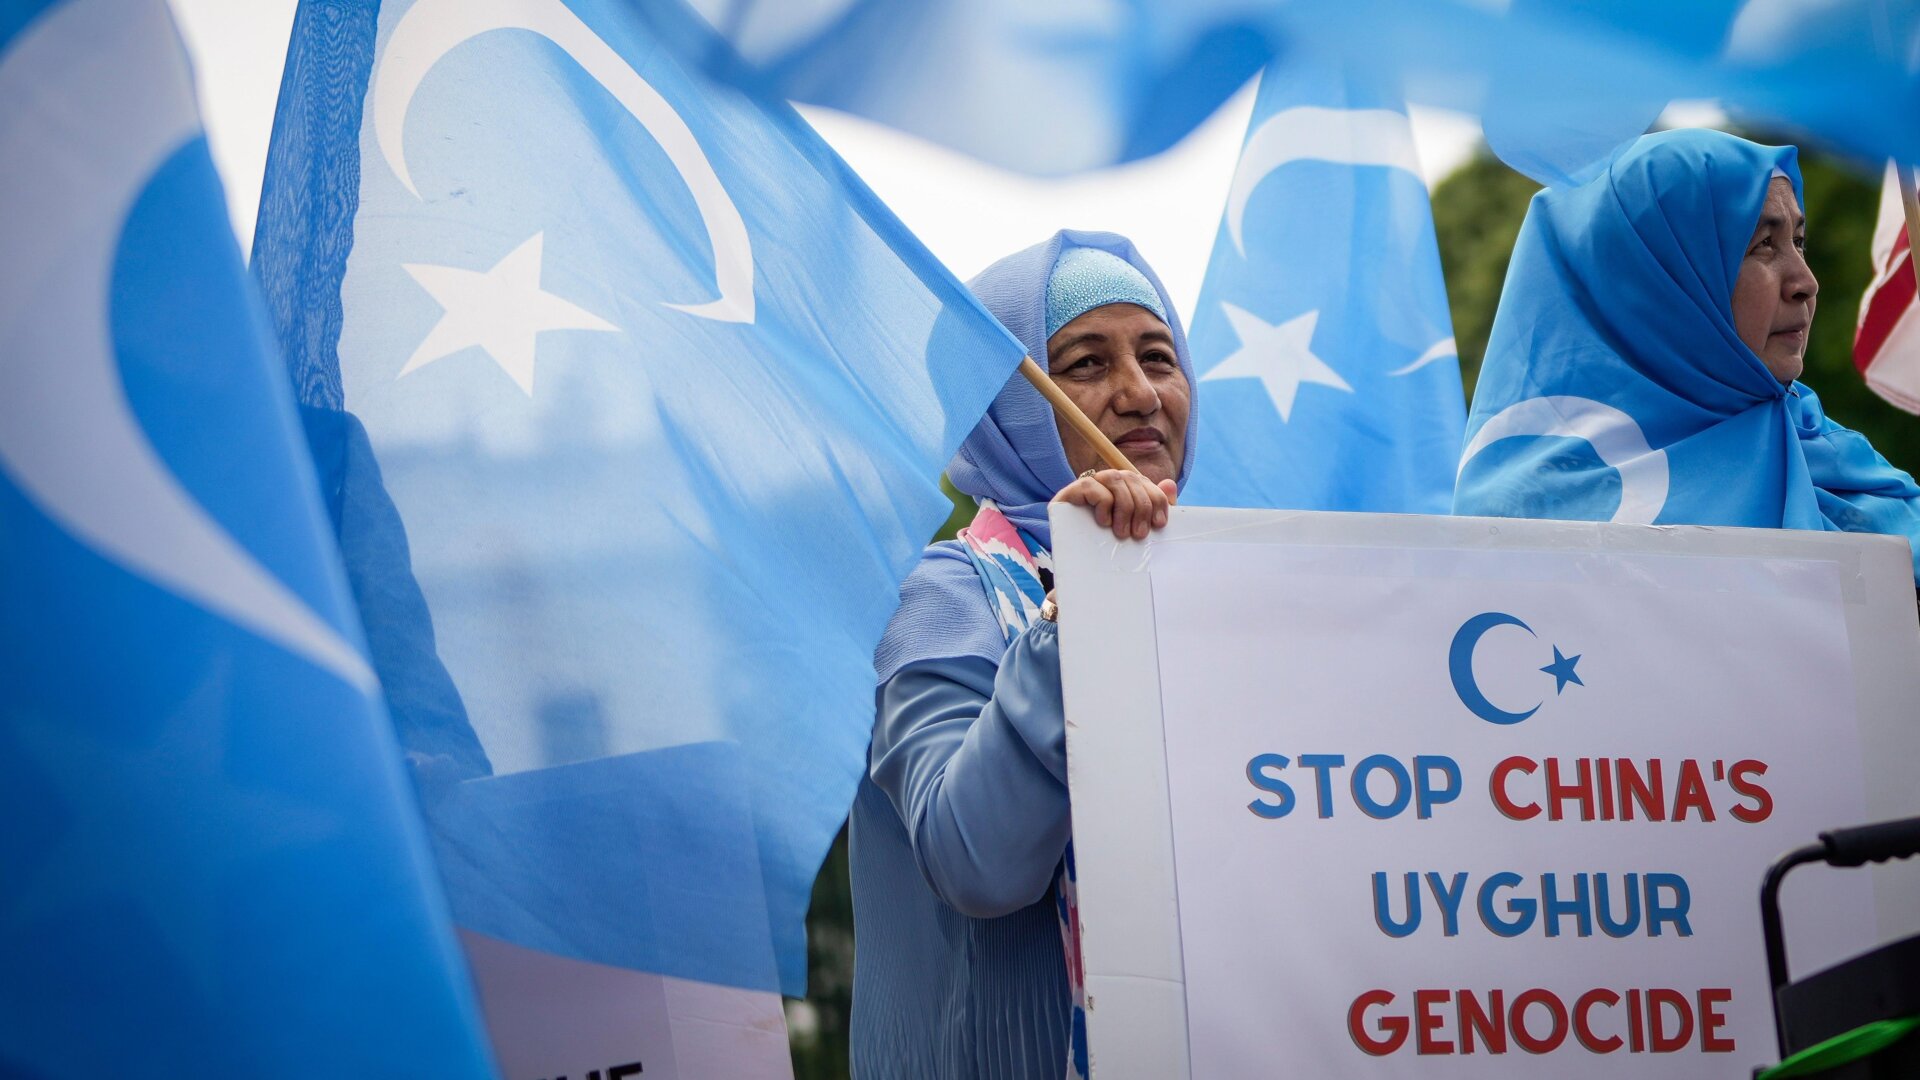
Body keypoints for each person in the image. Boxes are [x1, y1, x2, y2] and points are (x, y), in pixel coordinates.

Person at [850, 230, 1195, 1079]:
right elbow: (977, 864)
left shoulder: (1212, 584)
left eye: (1158, 356)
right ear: (1002, 405)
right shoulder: (943, 594)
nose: (1139, 393)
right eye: (1083, 363)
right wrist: (1077, 615)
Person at [1454, 128, 1920, 585]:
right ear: (1657, 285)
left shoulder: (1837, 464)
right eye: (1761, 245)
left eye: (1798, 241)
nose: (1805, 282)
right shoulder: (1517, 526)